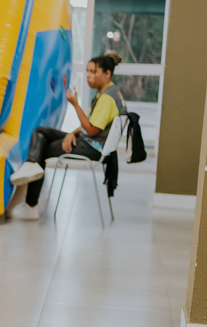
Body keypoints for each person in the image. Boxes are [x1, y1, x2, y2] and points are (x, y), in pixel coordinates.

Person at [7, 52, 125, 219]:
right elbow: (91, 125)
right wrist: (72, 133)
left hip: (93, 148)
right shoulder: (109, 93)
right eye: (87, 71)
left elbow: (91, 130)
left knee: (43, 147)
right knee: (41, 132)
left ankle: (30, 205)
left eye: (93, 72)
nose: (88, 76)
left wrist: (75, 103)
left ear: (107, 74)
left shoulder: (107, 98)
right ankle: (32, 165)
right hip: (90, 141)